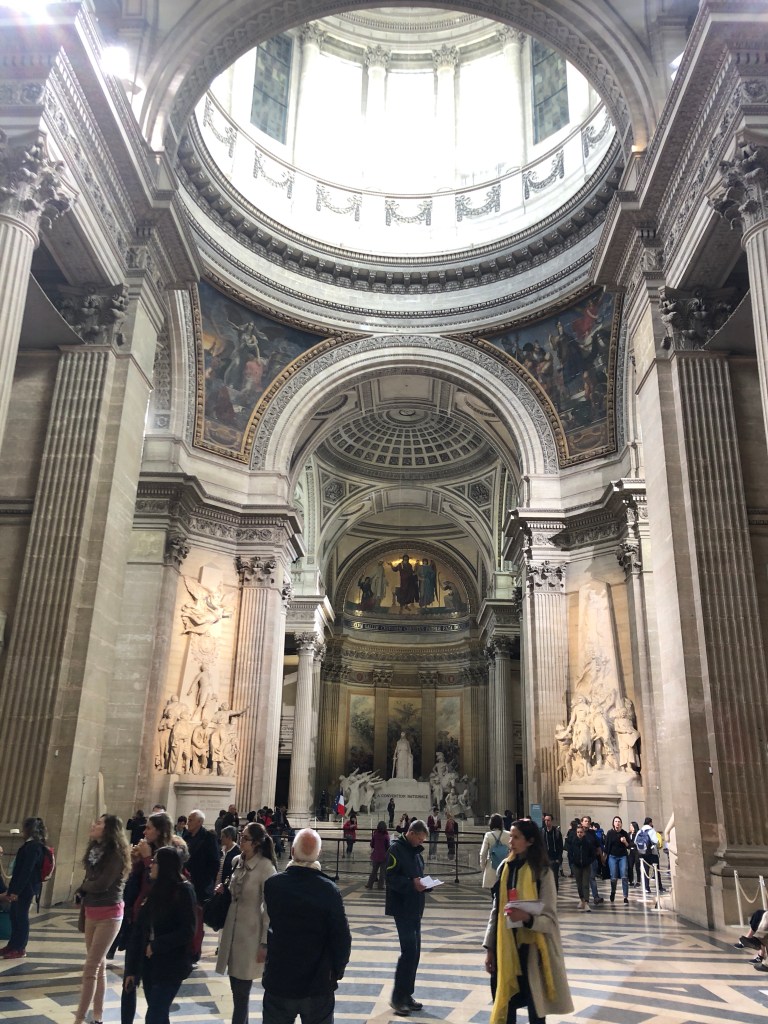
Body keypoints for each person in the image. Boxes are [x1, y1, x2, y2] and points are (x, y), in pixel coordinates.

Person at [483, 819, 573, 1023]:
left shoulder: (542, 871)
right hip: (506, 945)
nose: (510, 842)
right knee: (506, 1006)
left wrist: (526, 918)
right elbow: (496, 911)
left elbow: (550, 918)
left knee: (536, 1008)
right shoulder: (504, 868)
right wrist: (490, 948)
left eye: (516, 837)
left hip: (533, 949)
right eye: (511, 837)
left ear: (530, 841)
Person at [262, 828, 351, 1024]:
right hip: (317, 982)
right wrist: (336, 971)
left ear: (292, 851)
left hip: (280, 978)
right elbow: (342, 937)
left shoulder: (273, 885)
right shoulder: (329, 890)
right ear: (318, 854)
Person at [124, 845, 197, 1024]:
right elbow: (140, 931)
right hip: (149, 965)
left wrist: (157, 945)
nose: (151, 865)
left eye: (155, 862)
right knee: (159, 1014)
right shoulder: (154, 889)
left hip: (171, 964)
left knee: (154, 1016)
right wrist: (132, 970)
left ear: (165, 865)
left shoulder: (183, 891)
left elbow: (187, 930)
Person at [216, 822, 277, 1024]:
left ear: (257, 843)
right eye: (241, 836)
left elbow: (269, 908)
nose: (241, 840)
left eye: (245, 838)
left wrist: (264, 942)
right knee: (236, 989)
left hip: (250, 934)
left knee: (242, 992)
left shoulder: (266, 868)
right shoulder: (236, 861)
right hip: (231, 930)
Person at [73, 814, 131, 1024]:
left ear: (108, 829)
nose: (93, 825)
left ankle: (79, 1019)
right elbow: (90, 879)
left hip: (109, 913)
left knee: (90, 966)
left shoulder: (116, 854)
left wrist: (83, 887)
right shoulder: (94, 851)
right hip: (92, 910)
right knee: (99, 965)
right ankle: (98, 1015)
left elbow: (102, 884)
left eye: (98, 823)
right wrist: (85, 887)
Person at [385, 819, 430, 1016]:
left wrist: (425, 884)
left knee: (415, 952)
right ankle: (397, 998)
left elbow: (417, 876)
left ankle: (407, 995)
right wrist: (412, 884)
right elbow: (390, 878)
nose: (421, 842)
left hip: (415, 907)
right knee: (409, 951)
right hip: (402, 908)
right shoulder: (395, 849)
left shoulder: (415, 852)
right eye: (420, 839)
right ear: (411, 833)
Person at [0, 815, 46, 959]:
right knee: (14, 916)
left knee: (21, 917)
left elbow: (27, 870)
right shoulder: (29, 845)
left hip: (26, 889)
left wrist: (16, 891)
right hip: (20, 888)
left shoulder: (34, 846)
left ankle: (20, 948)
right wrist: (12, 889)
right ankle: (13, 944)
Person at [183, 809, 220, 905]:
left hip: (201, 885)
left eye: (190, 820)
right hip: (186, 882)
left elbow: (215, 862)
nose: (187, 823)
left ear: (199, 822)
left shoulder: (208, 837)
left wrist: (208, 883)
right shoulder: (186, 837)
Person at [569, 821, 598, 912]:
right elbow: (570, 853)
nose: (579, 834)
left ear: (584, 833)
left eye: (581, 832)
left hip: (586, 866)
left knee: (585, 884)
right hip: (576, 866)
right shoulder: (573, 842)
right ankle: (581, 899)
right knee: (579, 884)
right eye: (578, 832)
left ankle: (586, 902)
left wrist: (588, 861)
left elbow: (593, 854)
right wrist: (573, 862)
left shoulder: (588, 843)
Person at [480, 814, 511, 892]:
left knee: (493, 892)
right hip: (505, 866)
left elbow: (483, 853)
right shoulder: (508, 834)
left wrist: (483, 867)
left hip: (491, 867)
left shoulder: (488, 835)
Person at [604, 815, 630, 904]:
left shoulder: (624, 833)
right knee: (613, 877)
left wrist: (625, 841)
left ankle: (625, 896)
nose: (617, 823)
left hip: (623, 856)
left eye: (619, 821)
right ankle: (613, 892)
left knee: (624, 876)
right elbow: (607, 846)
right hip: (612, 857)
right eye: (616, 821)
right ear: (613, 823)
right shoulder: (610, 833)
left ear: (621, 823)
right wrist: (604, 857)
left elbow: (629, 845)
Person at [636, 816, 665, 893]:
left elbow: (636, 841)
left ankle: (647, 888)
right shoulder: (651, 830)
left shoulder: (640, 831)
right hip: (652, 853)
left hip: (643, 854)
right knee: (656, 871)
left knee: (646, 871)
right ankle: (659, 887)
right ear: (650, 823)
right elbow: (656, 841)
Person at [541, 814, 564, 891]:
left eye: (548, 820)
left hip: (554, 859)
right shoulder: (542, 832)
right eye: (545, 820)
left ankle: (555, 894)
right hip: (545, 859)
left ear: (552, 821)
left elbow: (560, 846)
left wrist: (559, 859)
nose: (546, 822)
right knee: (545, 879)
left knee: (555, 878)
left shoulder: (557, 832)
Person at [366, 820, 391, 890]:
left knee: (374, 871)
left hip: (376, 855)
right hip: (384, 856)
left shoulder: (375, 835)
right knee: (382, 872)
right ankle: (380, 885)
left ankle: (369, 884)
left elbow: (372, 844)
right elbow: (388, 846)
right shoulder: (386, 836)